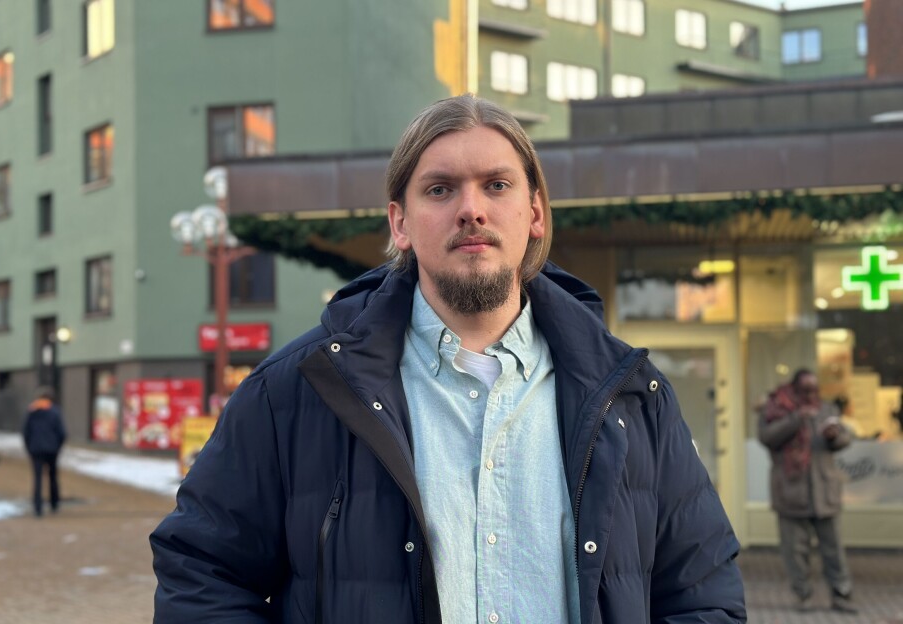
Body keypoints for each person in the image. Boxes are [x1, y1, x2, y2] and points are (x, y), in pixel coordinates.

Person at [151, 94, 746, 623]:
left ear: (535, 214)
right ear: (400, 222)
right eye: (440, 189)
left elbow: (703, 592)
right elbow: (201, 574)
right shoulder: (295, 393)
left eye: (497, 185)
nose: (472, 210)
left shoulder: (631, 397)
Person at [758, 369, 856, 614]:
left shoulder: (826, 409)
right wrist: (796, 419)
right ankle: (803, 596)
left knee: (833, 550)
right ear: (794, 388)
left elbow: (845, 437)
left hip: (824, 492)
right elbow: (767, 437)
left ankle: (841, 595)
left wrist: (835, 437)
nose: (811, 394)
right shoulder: (776, 408)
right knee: (795, 550)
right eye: (805, 390)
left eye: (814, 389)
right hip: (791, 491)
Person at [22, 386, 66, 517]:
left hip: (35, 449)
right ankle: (54, 503)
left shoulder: (31, 411)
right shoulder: (54, 412)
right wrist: (57, 447)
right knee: (52, 477)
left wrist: (29, 448)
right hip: (52, 449)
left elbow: (26, 432)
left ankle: (38, 507)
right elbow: (62, 433)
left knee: (37, 478)